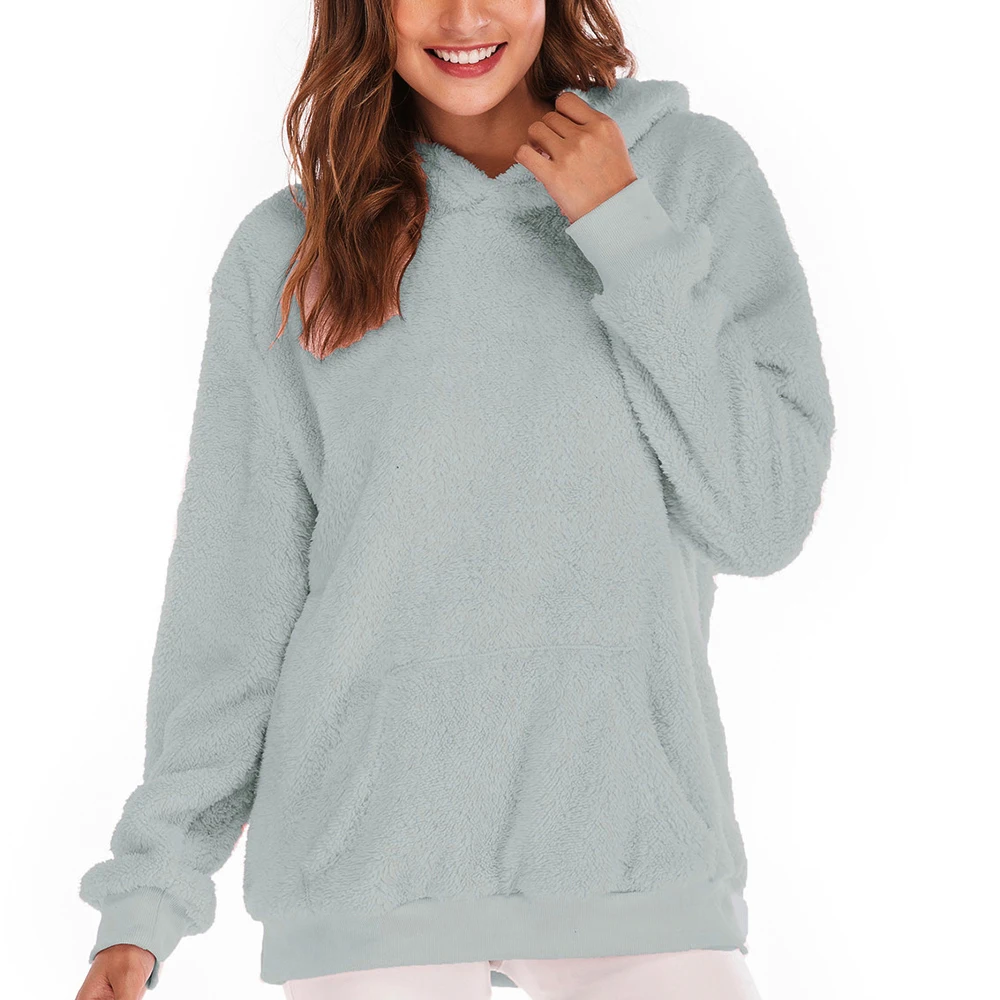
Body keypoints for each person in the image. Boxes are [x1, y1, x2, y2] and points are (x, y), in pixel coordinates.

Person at [74, 0, 836, 997]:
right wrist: (148, 897)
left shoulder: (686, 176)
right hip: (365, 884)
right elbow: (234, 606)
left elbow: (765, 517)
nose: (464, 15)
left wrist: (624, 229)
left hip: (634, 864)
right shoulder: (290, 251)